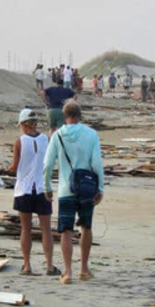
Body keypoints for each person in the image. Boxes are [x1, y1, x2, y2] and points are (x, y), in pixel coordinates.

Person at [42, 99, 104, 284]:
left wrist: (47, 187)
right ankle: (84, 269)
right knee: (86, 227)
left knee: (66, 230)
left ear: (64, 116)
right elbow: (97, 164)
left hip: (65, 188)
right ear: (79, 115)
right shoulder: (91, 134)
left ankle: (68, 272)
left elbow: (47, 164)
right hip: (86, 188)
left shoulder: (57, 136)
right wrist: (100, 187)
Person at [6, 108, 57, 276]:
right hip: (43, 188)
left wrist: (7, 168)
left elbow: (14, 168)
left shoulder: (19, 142)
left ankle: (27, 264)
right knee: (46, 229)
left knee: (25, 228)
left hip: (25, 189)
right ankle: (49, 265)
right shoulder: (46, 139)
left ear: (23, 124)